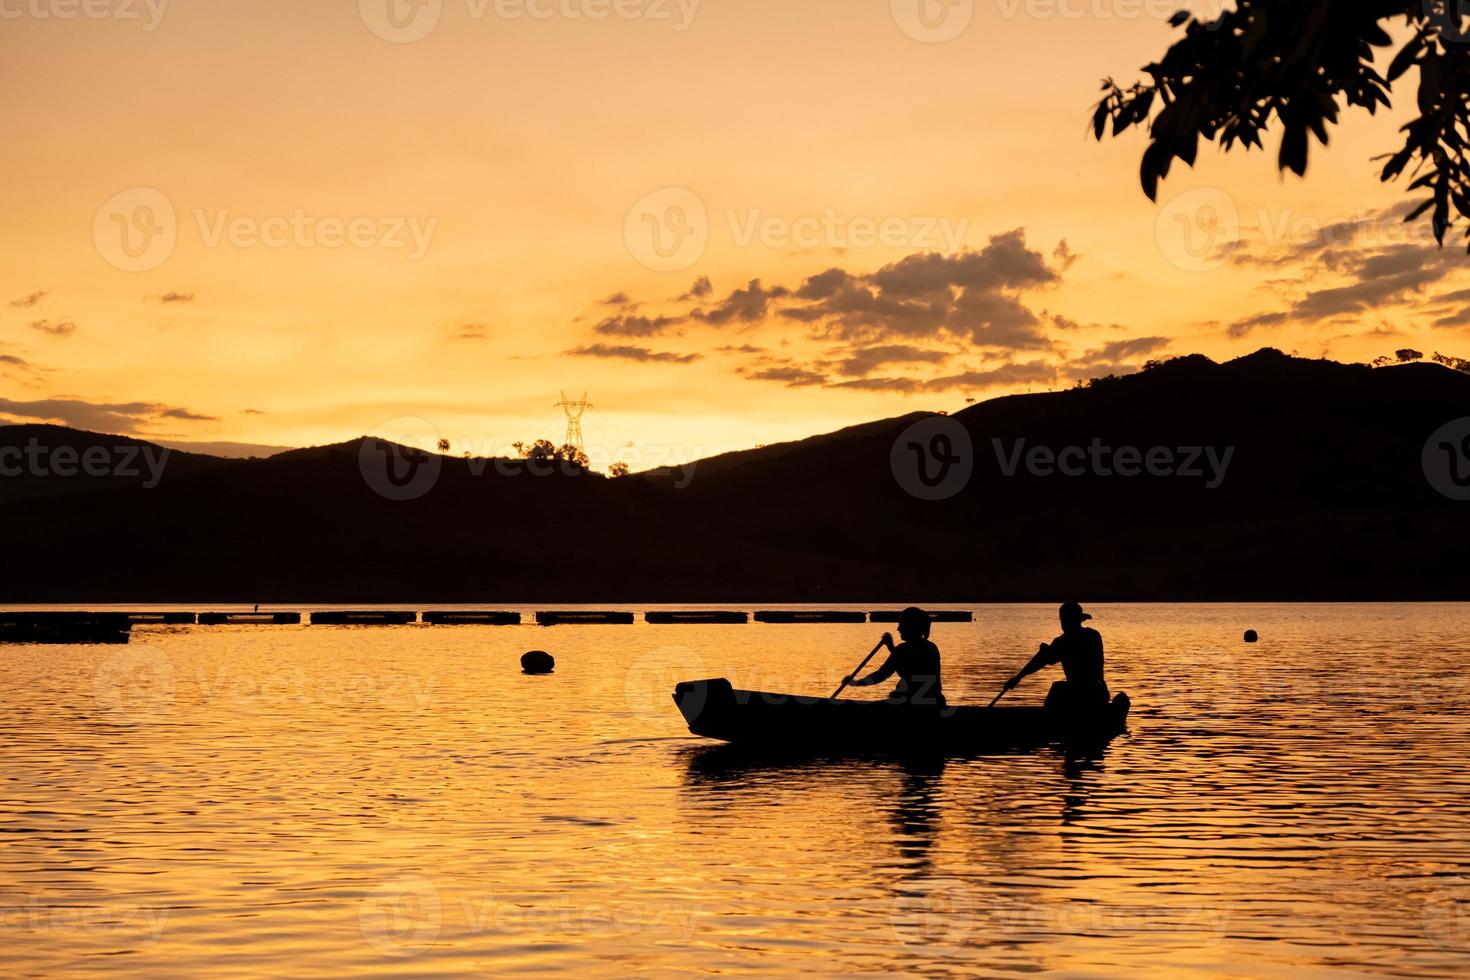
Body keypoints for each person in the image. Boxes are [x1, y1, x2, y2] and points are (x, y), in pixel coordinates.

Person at [1004, 602, 1109, 711]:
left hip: (1089, 693)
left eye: (1064, 620)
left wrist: (1018, 677)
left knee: (1057, 688)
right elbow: (1046, 658)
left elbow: (1043, 660)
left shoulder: (1065, 641)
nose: (1063, 623)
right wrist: (1019, 676)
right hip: (1100, 692)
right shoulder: (1093, 635)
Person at [846, 606, 947, 711]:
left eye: (901, 624)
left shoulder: (928, 649)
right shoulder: (903, 649)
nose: (898, 629)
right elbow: (882, 674)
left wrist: (891, 648)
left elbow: (911, 671)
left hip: (925, 704)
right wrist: (857, 683)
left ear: (911, 627)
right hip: (914, 701)